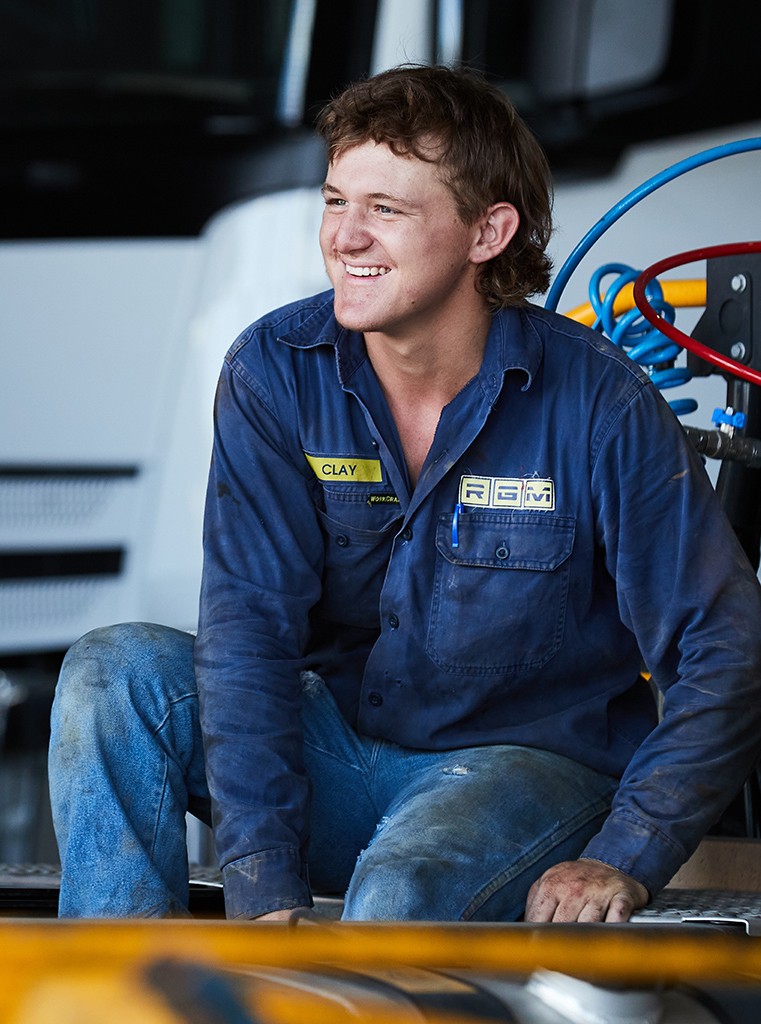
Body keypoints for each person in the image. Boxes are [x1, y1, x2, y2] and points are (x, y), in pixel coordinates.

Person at [48, 64, 761, 923]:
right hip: (342, 759)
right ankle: (125, 1000)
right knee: (114, 674)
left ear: (488, 232)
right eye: (335, 200)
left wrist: (624, 856)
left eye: (385, 210)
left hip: (527, 772)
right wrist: (265, 886)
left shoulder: (601, 404)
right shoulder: (275, 372)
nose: (345, 237)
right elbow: (248, 637)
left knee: (398, 893)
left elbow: (725, 651)